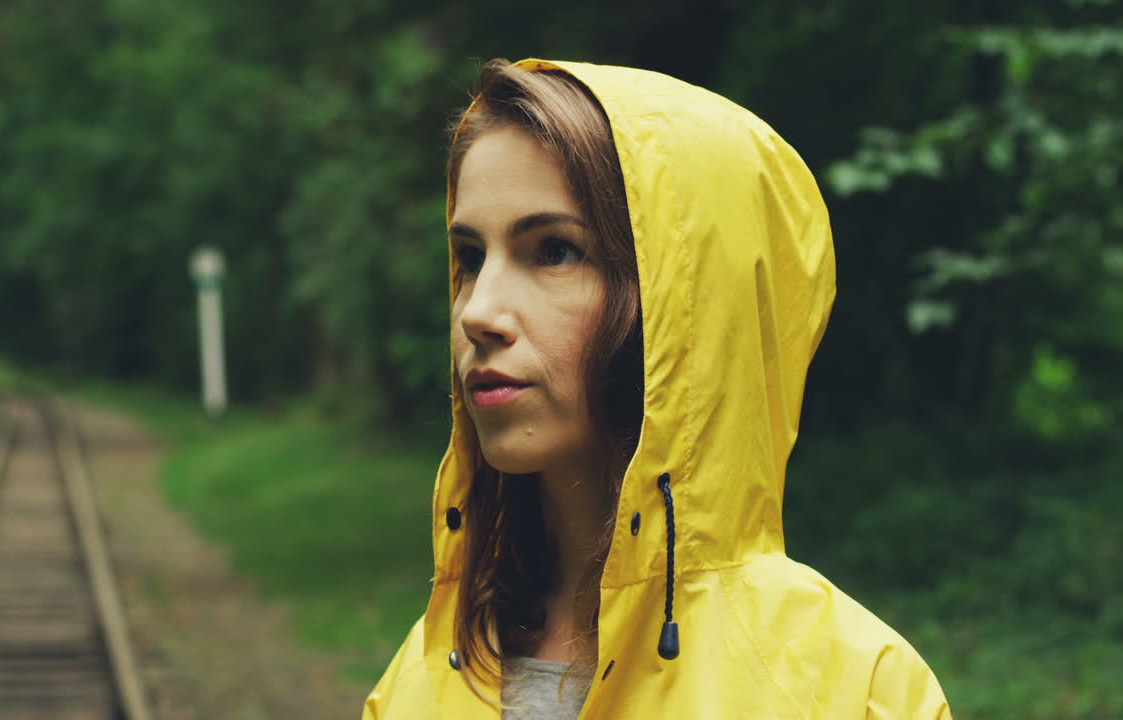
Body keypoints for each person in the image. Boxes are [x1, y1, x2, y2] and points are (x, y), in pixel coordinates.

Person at [363, 58, 952, 719]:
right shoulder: (420, 679)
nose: (477, 312)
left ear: (690, 306)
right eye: (471, 258)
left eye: (553, 250)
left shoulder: (853, 691)